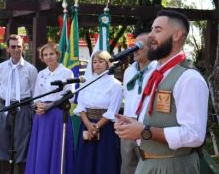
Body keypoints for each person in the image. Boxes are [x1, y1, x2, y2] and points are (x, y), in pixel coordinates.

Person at [114, 10, 209, 174]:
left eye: (157, 30)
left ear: (177, 34)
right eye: (151, 29)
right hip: (147, 164)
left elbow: (194, 135)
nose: (150, 35)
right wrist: (133, 123)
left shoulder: (189, 78)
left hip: (172, 167)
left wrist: (144, 131)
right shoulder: (156, 74)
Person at [25, 42, 75, 174]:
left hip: (58, 116)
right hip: (41, 116)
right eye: (45, 55)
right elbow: (36, 96)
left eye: (51, 54)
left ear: (57, 55)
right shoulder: (41, 74)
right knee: (42, 149)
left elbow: (70, 97)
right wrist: (39, 105)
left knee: (57, 150)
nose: (48, 57)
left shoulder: (67, 73)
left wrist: (50, 106)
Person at [0, 34, 38, 174]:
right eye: (13, 46)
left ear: (23, 47)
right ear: (7, 49)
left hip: (23, 109)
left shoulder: (31, 69)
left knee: (22, 145)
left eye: (19, 46)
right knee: (2, 143)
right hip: (4, 108)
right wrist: (0, 108)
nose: (16, 49)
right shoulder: (0, 67)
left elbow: (34, 92)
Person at [74, 50, 122, 174]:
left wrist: (96, 126)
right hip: (87, 125)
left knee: (104, 161)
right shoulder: (86, 82)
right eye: (94, 62)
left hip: (105, 128)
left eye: (101, 61)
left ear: (108, 64)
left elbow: (113, 110)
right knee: (85, 160)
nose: (97, 64)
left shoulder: (115, 85)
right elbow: (81, 106)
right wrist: (89, 125)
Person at [120, 33, 156, 174]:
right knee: (128, 165)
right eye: (133, 46)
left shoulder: (157, 70)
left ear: (151, 48)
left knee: (147, 167)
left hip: (147, 125)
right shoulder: (129, 71)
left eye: (139, 46)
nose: (135, 49)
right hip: (128, 123)